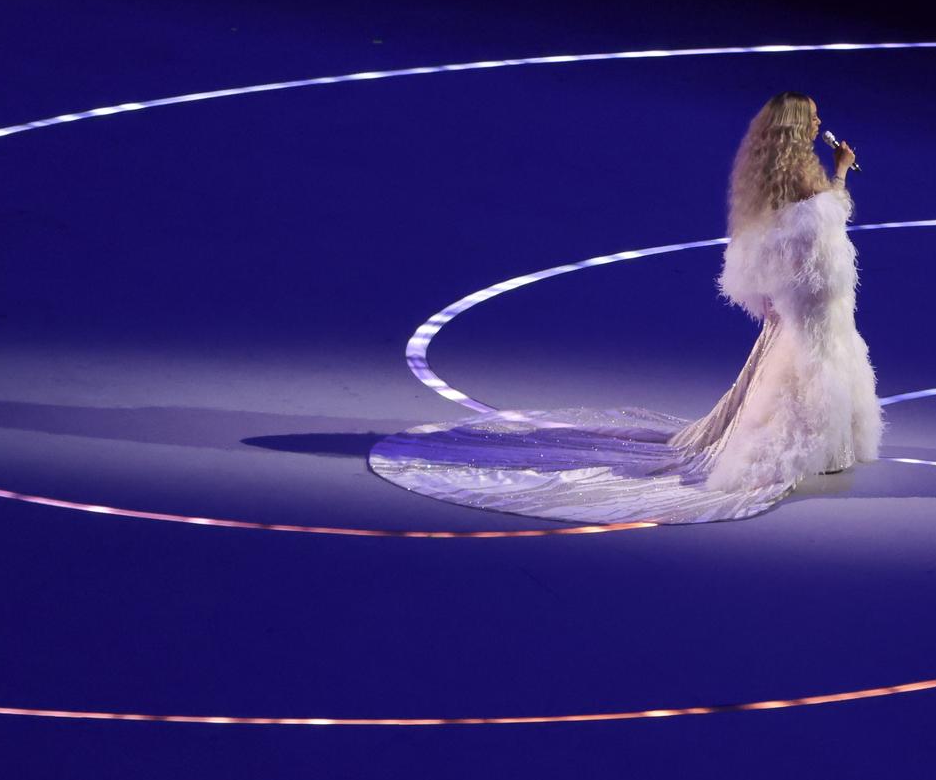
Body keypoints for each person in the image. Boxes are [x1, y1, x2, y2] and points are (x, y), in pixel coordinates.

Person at [367, 92, 882, 524]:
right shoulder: (805, 182)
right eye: (812, 115)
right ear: (797, 129)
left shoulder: (777, 175)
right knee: (811, 365)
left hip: (800, 299)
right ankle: (807, 449)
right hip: (811, 301)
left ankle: (826, 445)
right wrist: (841, 175)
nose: (820, 120)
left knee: (806, 362)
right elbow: (823, 230)